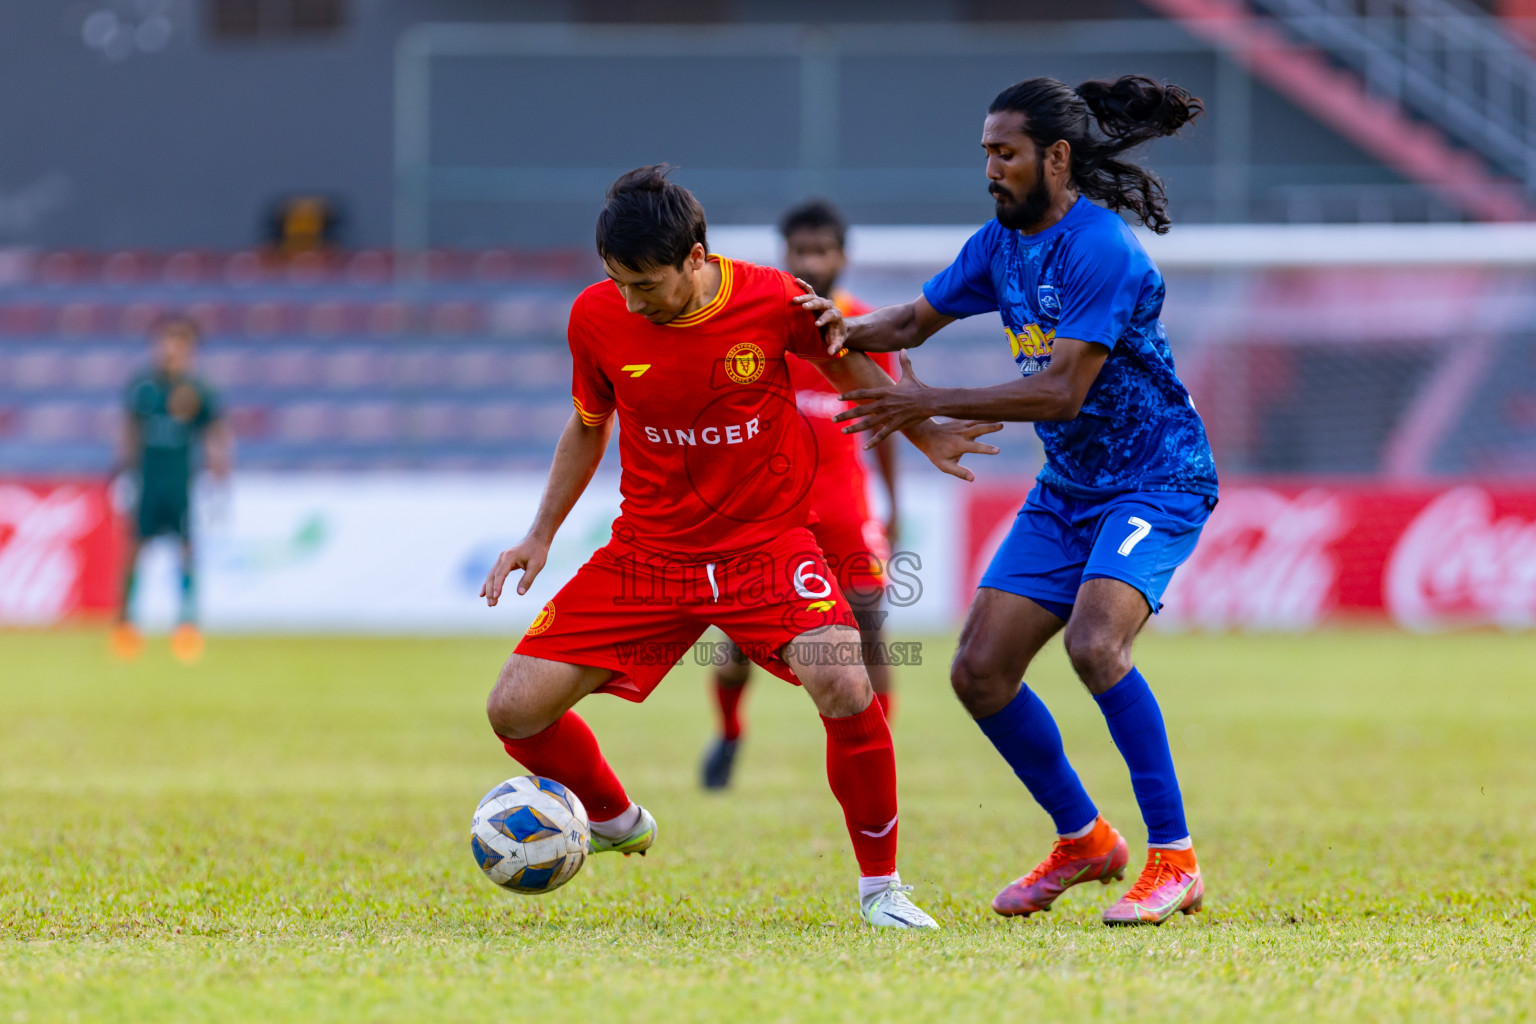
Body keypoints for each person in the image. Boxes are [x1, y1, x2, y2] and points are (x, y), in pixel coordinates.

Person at [479, 166, 1000, 929]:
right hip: (648, 554)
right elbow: (589, 424)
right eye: (618, 283)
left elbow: (848, 367)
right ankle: (617, 818)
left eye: (646, 284)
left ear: (695, 258)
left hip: (765, 549)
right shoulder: (595, 317)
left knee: (847, 683)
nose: (631, 300)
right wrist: (539, 534)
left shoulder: (773, 299)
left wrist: (924, 433)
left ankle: (881, 890)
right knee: (514, 712)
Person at [797, 76, 1218, 926]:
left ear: (1054, 158)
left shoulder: (1101, 249)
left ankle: (1175, 860)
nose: (990, 169)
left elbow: (1063, 391)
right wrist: (821, 325)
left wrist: (927, 403)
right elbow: (912, 321)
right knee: (979, 673)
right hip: (1069, 490)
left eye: (1006, 154)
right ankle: (1085, 841)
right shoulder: (1000, 243)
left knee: (1098, 645)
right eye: (985, 153)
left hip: (1156, 478)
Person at [700, 199, 902, 791]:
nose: (812, 259)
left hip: (845, 505)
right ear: (785, 255)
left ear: (842, 256)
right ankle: (730, 732)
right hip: (770, 507)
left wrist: (893, 503)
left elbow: (885, 420)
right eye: (801, 251)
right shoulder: (763, 324)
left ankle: (875, 752)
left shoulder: (867, 327)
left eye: (822, 249)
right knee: (741, 637)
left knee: (869, 627)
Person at [111, 315, 231, 663]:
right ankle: (125, 624)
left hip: (180, 484)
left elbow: (216, 432)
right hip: (147, 482)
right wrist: (124, 469)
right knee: (135, 550)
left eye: (179, 344)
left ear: (190, 350)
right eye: (165, 342)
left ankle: (187, 625)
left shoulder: (199, 391)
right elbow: (129, 430)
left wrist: (218, 467)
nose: (170, 350)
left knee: (186, 551)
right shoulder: (142, 387)